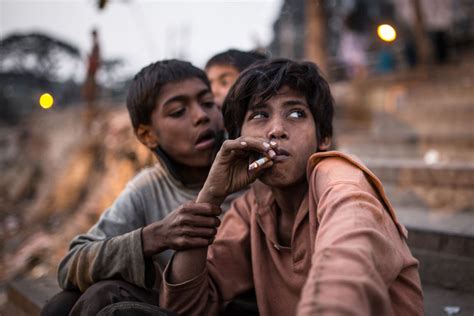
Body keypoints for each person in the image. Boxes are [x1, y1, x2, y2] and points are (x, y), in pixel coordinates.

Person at [159, 59, 424, 315]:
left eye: (296, 113)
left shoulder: (340, 180)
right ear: (238, 138)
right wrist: (210, 197)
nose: (276, 130)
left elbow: (348, 265)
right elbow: (184, 308)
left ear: (323, 138)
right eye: (260, 115)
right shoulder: (251, 207)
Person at [41, 59, 233, 316]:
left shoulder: (249, 174)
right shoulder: (148, 187)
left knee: (102, 297)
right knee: (61, 305)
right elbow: (71, 265)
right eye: (178, 111)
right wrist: (153, 237)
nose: (201, 116)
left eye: (208, 103)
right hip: (177, 306)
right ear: (147, 135)